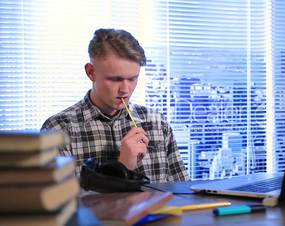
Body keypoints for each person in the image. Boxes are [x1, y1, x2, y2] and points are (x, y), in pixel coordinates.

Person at [41, 28, 189, 183]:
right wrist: (123, 167)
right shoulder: (58, 130)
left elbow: (183, 194)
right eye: (115, 79)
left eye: (133, 79)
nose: (125, 90)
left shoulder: (157, 123)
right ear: (91, 72)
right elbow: (62, 204)